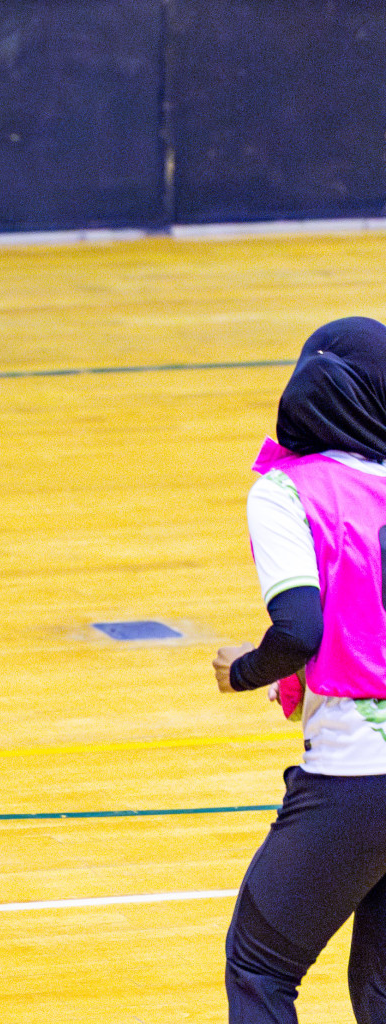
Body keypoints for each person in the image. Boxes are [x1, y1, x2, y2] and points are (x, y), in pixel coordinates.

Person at [212, 316, 386, 1023]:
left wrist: (243, 671)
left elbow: (299, 631)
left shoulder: (288, 492)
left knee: (259, 965)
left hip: (357, 770)